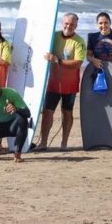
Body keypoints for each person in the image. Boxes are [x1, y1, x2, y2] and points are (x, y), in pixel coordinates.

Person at [40, 13, 85, 151]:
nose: (68, 26)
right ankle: (43, 143)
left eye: (72, 24)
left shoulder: (79, 41)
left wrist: (57, 60)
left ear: (76, 26)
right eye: (66, 23)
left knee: (67, 113)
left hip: (70, 85)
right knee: (47, 112)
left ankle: (64, 143)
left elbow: (78, 63)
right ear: (62, 23)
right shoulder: (53, 36)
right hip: (53, 83)